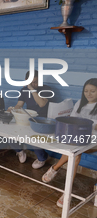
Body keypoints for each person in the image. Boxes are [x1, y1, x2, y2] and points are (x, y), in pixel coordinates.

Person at [42, 78, 97, 208]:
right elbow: (72, 120)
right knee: (75, 153)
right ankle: (67, 191)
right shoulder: (79, 103)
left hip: (93, 141)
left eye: (93, 91)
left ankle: (55, 168)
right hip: (77, 138)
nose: (89, 94)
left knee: (76, 151)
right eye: (86, 91)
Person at [7, 70, 52, 169]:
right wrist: (12, 109)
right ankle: (19, 151)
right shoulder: (23, 90)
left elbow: (41, 103)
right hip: (27, 117)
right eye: (32, 82)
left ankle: (42, 158)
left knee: (34, 139)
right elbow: (19, 105)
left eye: (36, 81)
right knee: (8, 133)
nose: (34, 84)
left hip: (42, 120)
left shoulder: (47, 89)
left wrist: (31, 88)